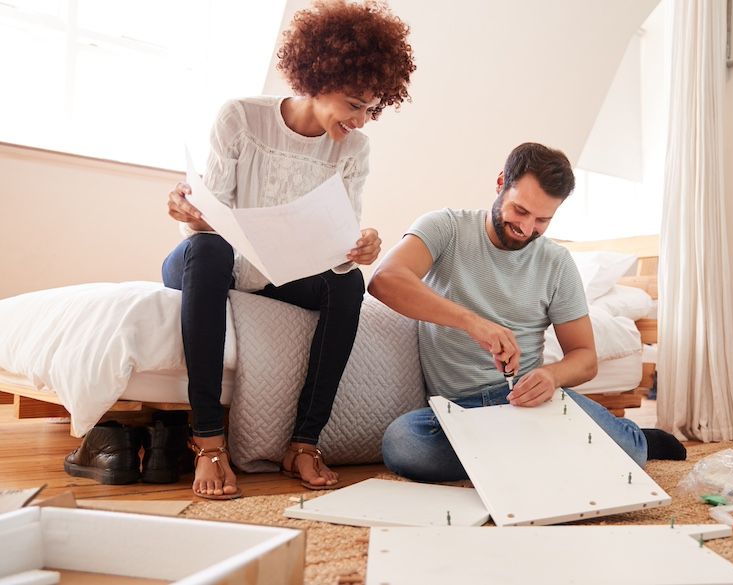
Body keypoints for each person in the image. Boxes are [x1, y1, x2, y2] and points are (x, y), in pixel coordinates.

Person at [163, 0, 415, 499]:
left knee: (348, 283)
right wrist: (189, 211)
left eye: (372, 108)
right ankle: (208, 439)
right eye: (354, 103)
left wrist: (359, 248)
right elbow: (210, 218)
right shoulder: (240, 118)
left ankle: (303, 441)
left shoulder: (354, 151)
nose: (362, 120)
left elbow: (339, 242)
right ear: (317, 79)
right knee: (208, 252)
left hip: (281, 270)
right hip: (212, 260)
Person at [367, 142, 685, 483]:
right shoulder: (446, 227)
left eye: (542, 220)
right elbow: (385, 280)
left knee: (632, 452)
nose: (527, 228)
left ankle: (627, 437)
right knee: (404, 444)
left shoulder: (556, 263)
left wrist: (552, 377)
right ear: (501, 182)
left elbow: (585, 358)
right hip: (458, 411)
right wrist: (473, 323)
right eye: (520, 211)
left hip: (529, 403)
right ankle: (541, 452)